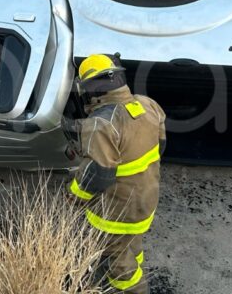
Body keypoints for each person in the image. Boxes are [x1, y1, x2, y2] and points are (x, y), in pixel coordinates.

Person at [67, 53, 166, 294]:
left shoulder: (102, 123)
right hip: (146, 197)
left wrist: (74, 196)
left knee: (119, 264)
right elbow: (160, 145)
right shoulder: (147, 104)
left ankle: (134, 288)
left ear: (90, 90)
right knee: (133, 244)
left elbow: (98, 174)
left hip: (117, 211)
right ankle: (136, 266)